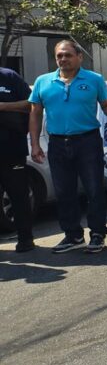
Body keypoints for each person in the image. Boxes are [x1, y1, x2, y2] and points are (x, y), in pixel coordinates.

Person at [29, 40, 107, 253]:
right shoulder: (43, 81)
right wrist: (35, 144)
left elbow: (106, 105)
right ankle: (73, 235)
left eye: (67, 55)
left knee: (93, 190)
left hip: (87, 142)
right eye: (59, 56)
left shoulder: (94, 79)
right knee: (64, 192)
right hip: (56, 143)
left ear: (79, 57)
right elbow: (35, 113)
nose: (63, 59)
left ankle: (98, 234)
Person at [0, 65, 34, 252]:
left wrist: (4, 106)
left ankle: (26, 239)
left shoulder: (9, 76)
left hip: (11, 149)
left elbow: (31, 103)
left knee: (18, 196)